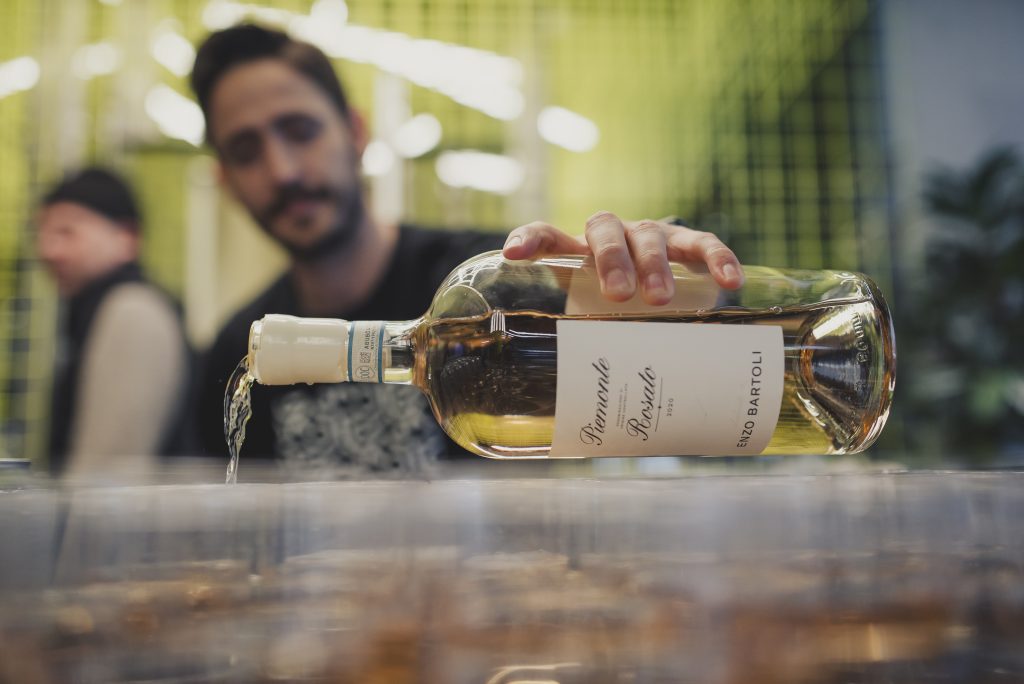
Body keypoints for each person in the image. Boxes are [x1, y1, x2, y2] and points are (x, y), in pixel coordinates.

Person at [191, 24, 745, 476]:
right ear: (225, 180)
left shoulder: (490, 289)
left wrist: (664, 276)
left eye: (300, 130)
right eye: (246, 151)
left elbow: (706, 359)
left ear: (355, 132)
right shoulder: (239, 352)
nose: (282, 171)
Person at [36, 167, 192, 477]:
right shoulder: (97, 308)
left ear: (126, 237)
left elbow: (104, 480)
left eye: (67, 231)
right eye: (42, 232)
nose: (47, 250)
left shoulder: (132, 312)